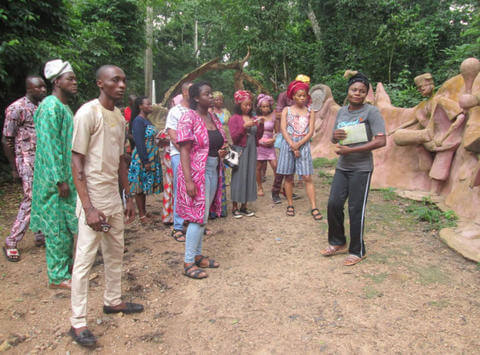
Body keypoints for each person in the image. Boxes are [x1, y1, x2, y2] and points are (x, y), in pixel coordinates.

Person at [70, 65, 141, 348]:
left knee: (115, 251)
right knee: (85, 260)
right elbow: (77, 161)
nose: (121, 85)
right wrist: (88, 209)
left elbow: (121, 160)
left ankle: (113, 301)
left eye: (124, 80)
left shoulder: (118, 117)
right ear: (101, 83)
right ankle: (78, 322)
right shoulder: (87, 113)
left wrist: (129, 196)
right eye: (115, 80)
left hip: (112, 197)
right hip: (93, 199)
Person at [320, 72, 386, 266]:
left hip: (361, 168)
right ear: (348, 91)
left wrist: (352, 150)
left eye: (362, 91)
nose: (357, 93)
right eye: (354, 89)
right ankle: (338, 242)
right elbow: (334, 138)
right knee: (333, 204)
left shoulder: (371, 112)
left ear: (366, 94)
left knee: (356, 208)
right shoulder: (342, 112)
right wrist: (335, 135)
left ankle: (358, 250)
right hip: (343, 166)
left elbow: (381, 140)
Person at [30, 59, 78, 289]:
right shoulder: (50, 107)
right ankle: (57, 277)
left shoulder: (63, 107)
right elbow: (49, 147)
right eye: (70, 79)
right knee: (57, 227)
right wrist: (59, 180)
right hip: (54, 180)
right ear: (57, 81)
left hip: (67, 176)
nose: (75, 83)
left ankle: (66, 269)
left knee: (68, 225)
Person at [176, 81, 227, 279]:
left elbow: (216, 142)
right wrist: (189, 181)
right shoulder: (188, 117)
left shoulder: (213, 117)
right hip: (197, 173)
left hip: (214, 168)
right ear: (196, 98)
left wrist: (221, 152)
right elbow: (184, 150)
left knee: (203, 215)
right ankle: (188, 263)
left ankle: (197, 256)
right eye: (207, 94)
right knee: (197, 217)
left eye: (211, 93)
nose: (211, 96)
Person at [2, 76, 47, 261]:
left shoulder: (43, 107)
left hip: (44, 161)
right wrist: (13, 167)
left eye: (44, 86)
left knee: (43, 196)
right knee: (31, 198)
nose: (43, 89)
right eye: (39, 87)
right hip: (27, 161)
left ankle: (39, 235)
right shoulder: (16, 108)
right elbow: (7, 139)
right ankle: (11, 241)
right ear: (29, 88)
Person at [277, 80, 320, 220]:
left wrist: (299, 144)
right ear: (293, 96)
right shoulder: (286, 110)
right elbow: (283, 129)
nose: (302, 98)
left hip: (304, 145)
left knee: (307, 176)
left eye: (304, 95)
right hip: (287, 145)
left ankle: (314, 206)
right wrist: (292, 144)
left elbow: (311, 130)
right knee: (289, 176)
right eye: (299, 95)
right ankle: (290, 204)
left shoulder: (310, 111)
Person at [271, 74, 310, 203]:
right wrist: (279, 132)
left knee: (292, 167)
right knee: (283, 166)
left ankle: (288, 190)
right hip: (286, 134)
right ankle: (275, 191)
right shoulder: (284, 95)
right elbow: (278, 114)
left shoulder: (306, 97)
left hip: (301, 136)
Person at [228, 90, 264, 218]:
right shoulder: (234, 119)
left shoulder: (253, 117)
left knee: (249, 176)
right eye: (245, 105)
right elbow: (234, 137)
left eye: (250, 105)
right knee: (238, 177)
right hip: (240, 150)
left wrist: (261, 125)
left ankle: (244, 206)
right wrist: (244, 126)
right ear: (239, 104)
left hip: (252, 150)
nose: (248, 107)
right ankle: (234, 207)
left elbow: (258, 136)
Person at [128, 96, 163, 224]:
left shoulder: (146, 120)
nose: (150, 106)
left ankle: (144, 212)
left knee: (143, 186)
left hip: (151, 155)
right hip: (142, 157)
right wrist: (145, 161)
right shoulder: (138, 121)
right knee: (139, 186)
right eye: (147, 104)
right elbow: (139, 142)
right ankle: (142, 215)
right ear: (140, 106)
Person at [165, 82, 192, 242]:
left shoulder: (195, 110)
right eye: (191, 90)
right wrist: (185, 153)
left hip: (195, 157)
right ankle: (178, 226)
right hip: (179, 155)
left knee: (195, 189)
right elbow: (173, 134)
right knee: (180, 188)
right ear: (184, 92)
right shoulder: (175, 111)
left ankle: (193, 221)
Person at [209, 91, 231, 218]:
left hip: (225, 143)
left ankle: (220, 207)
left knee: (223, 174)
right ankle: (212, 209)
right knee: (214, 175)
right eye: (215, 99)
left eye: (219, 99)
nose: (218, 101)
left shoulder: (226, 112)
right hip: (214, 146)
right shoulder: (209, 114)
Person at [255, 94, 277, 197]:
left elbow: (277, 132)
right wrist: (259, 141)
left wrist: (273, 139)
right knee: (258, 167)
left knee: (275, 166)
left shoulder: (273, 116)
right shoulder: (256, 118)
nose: (266, 108)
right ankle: (259, 187)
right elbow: (253, 133)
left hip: (270, 146)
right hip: (259, 145)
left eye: (267, 106)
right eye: (263, 106)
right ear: (259, 107)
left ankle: (276, 187)